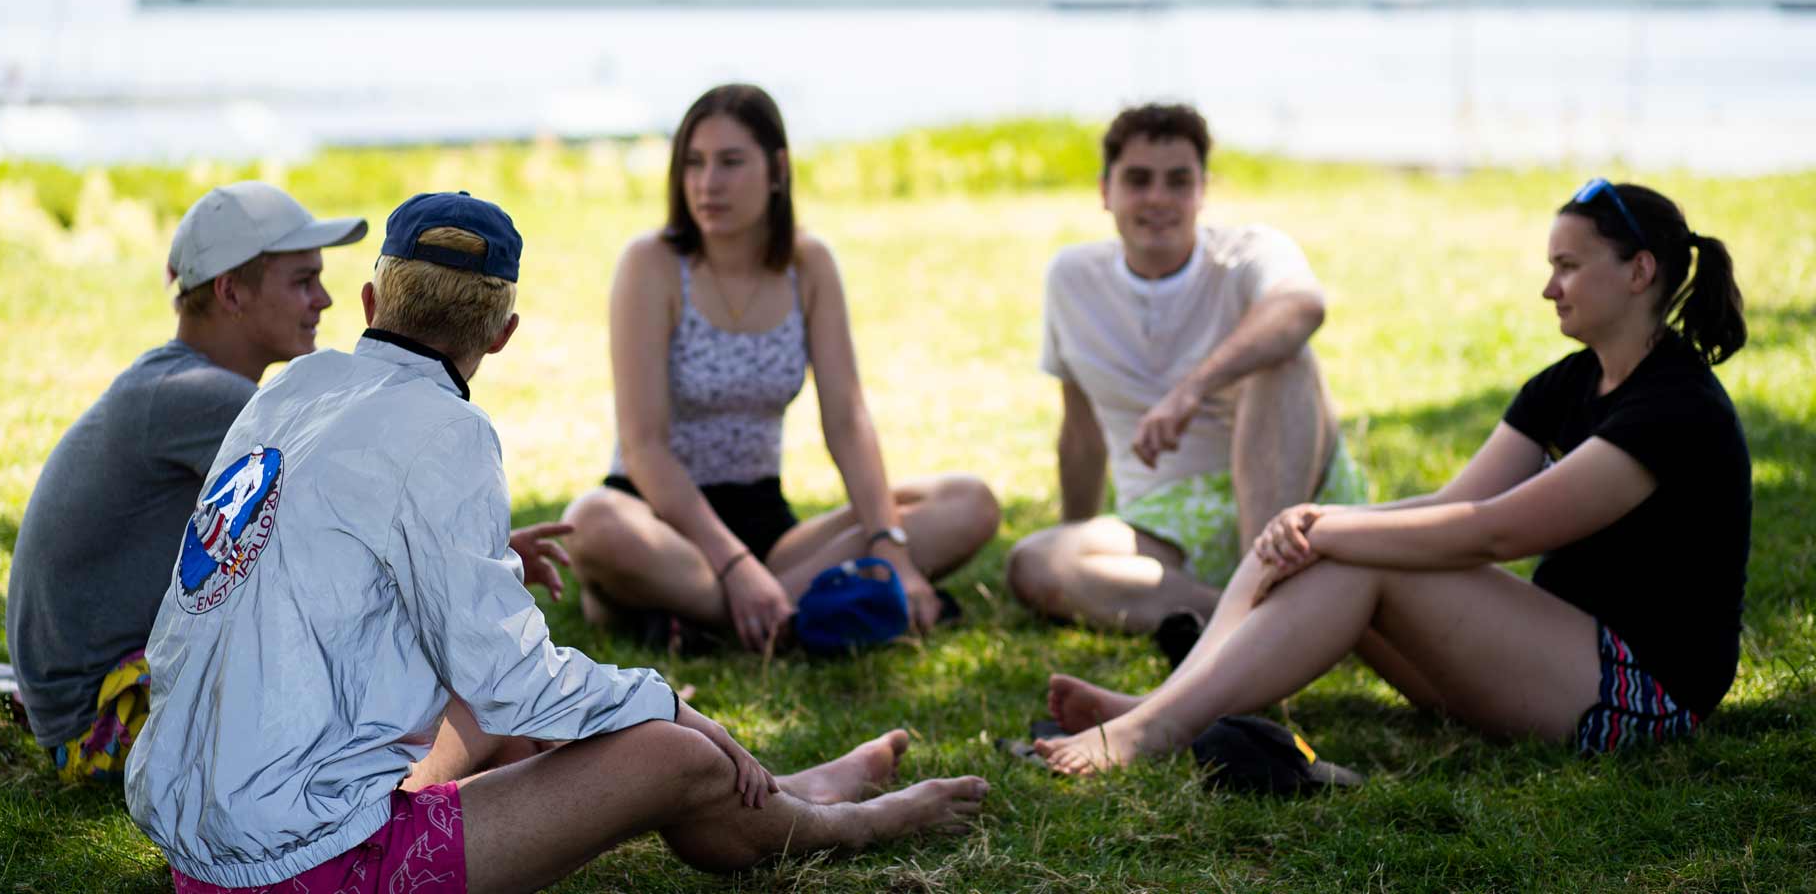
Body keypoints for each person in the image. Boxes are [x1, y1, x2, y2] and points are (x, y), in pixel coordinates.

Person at [124, 191, 990, 892]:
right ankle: (846, 819)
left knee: (563, 714)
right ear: (502, 334)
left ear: (369, 302)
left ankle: (793, 791)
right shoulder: (448, 430)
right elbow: (516, 687)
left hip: (199, 840)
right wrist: (674, 704)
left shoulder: (294, 388)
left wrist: (490, 565)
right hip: (309, 866)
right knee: (667, 750)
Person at [1033, 180, 1750, 774]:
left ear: (1639, 271)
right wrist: (1311, 523)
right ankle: (1163, 708)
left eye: (1568, 266)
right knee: (1313, 540)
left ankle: (1147, 732)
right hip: (1555, 666)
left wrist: (1335, 528)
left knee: (1351, 555)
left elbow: (1494, 531)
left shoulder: (1673, 406)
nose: (1548, 287)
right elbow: (1453, 502)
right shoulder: (1569, 382)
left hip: (1642, 696)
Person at [563, 84, 1000, 652]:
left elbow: (847, 420)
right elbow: (644, 445)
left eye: (730, 162)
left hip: (769, 527)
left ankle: (713, 621)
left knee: (969, 502)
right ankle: (778, 611)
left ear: (777, 170)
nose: (707, 183)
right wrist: (734, 565)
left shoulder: (808, 265)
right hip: (661, 520)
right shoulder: (652, 264)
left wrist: (892, 548)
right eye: (693, 163)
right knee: (591, 523)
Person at [4, 181, 366, 781]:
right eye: (303, 281)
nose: (325, 299)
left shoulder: (178, 383)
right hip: (110, 723)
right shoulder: (208, 399)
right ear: (230, 292)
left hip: (89, 713)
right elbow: (342, 521)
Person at [1004, 103, 1366, 633]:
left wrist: (1192, 389)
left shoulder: (1249, 253)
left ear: (1202, 191)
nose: (1158, 199)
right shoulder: (1072, 278)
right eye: (1138, 180)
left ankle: (1261, 593)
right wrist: (1074, 538)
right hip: (1165, 519)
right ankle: (1251, 614)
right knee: (1035, 562)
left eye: (1178, 181)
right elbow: (1080, 432)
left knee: (1283, 357)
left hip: (1288, 503)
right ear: (1105, 191)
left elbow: (1303, 306)